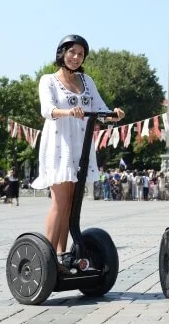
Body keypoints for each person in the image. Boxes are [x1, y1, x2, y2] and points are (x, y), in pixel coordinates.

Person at [31, 34, 124, 272]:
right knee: (60, 203)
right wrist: (68, 112)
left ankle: (63, 255)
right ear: (62, 53)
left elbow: (99, 107)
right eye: (71, 52)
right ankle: (48, 258)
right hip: (58, 144)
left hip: (81, 146)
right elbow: (47, 109)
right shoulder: (49, 80)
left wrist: (114, 113)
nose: (75, 57)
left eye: (80, 54)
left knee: (73, 204)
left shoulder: (86, 80)